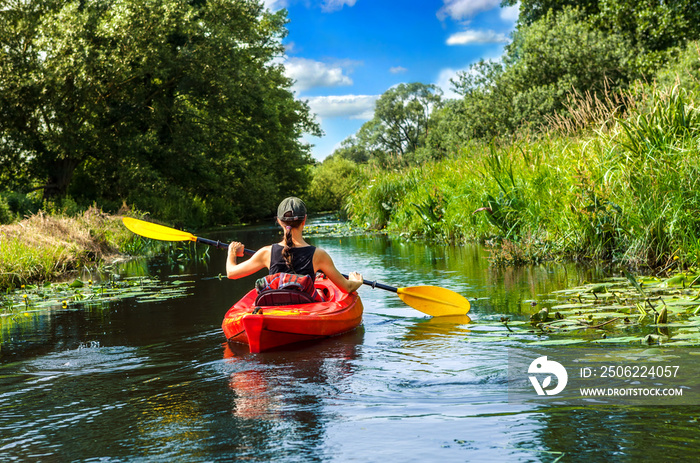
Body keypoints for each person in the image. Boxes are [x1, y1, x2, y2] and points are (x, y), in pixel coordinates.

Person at [226, 197, 363, 294]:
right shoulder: (319, 255)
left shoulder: (266, 253)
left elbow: (231, 273)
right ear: (304, 220)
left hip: (277, 309)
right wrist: (356, 281)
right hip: (306, 309)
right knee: (320, 292)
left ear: (279, 221)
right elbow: (347, 288)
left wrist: (232, 252)